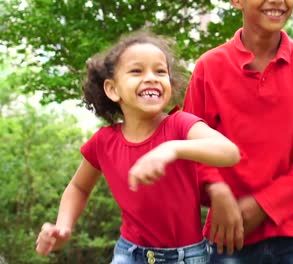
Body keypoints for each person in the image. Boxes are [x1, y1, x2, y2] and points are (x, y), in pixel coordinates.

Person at [35, 31, 244, 264]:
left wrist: (173, 148)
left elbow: (230, 152)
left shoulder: (180, 124)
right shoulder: (103, 142)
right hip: (129, 254)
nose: (151, 77)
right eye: (137, 71)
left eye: (160, 71)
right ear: (112, 89)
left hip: (187, 256)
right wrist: (63, 226)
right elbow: (79, 187)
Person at [183, 0, 293, 263]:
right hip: (229, 233)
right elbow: (191, 147)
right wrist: (217, 191)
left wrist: (263, 205)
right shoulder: (209, 67)